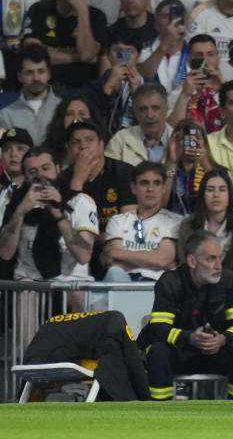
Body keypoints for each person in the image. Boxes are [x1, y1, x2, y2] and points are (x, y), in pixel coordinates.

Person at [139, 231, 233, 400]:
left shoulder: (229, 280)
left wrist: (223, 339)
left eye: (220, 257)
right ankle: (159, 410)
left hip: (216, 350)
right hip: (181, 351)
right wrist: (189, 338)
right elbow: (158, 328)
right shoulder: (170, 281)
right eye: (211, 259)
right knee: (159, 351)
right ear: (192, 261)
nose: (218, 265)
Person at [0, 146, 98, 284]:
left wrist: (56, 210)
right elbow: (5, 253)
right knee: (26, 288)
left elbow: (83, 256)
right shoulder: (18, 201)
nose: (40, 176)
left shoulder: (79, 201)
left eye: (46, 168)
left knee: (78, 294)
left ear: (57, 169)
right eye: (32, 172)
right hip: (29, 280)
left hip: (71, 281)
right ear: (26, 178)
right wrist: (20, 212)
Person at [21, 0, 107, 88]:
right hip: (45, 86)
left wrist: (82, 11)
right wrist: (75, 57)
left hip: (82, 89)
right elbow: (34, 56)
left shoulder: (96, 16)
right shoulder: (39, 10)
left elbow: (86, 54)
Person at [100, 161, 179, 282]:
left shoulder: (175, 221)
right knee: (114, 272)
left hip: (158, 286)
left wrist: (118, 253)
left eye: (156, 183)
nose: (150, 189)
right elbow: (112, 262)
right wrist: (153, 260)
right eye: (144, 183)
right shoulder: (118, 221)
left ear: (164, 188)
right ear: (133, 188)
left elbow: (162, 259)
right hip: (123, 283)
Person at [177, 167, 233, 279]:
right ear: (202, 195)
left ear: (230, 194)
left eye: (222, 189)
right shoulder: (188, 225)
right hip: (197, 286)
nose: (216, 195)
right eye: (210, 189)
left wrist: (230, 284)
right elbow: (184, 262)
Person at [0, 44, 59, 143]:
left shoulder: (65, 109)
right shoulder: (5, 115)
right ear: (19, 76)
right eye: (29, 72)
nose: (36, 78)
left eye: (41, 71)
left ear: (49, 74)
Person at [105, 82, 171, 167]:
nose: (149, 115)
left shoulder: (178, 140)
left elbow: (176, 174)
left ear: (166, 110)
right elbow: (109, 175)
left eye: (155, 108)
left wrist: (170, 169)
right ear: (135, 112)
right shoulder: (120, 139)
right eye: (143, 109)